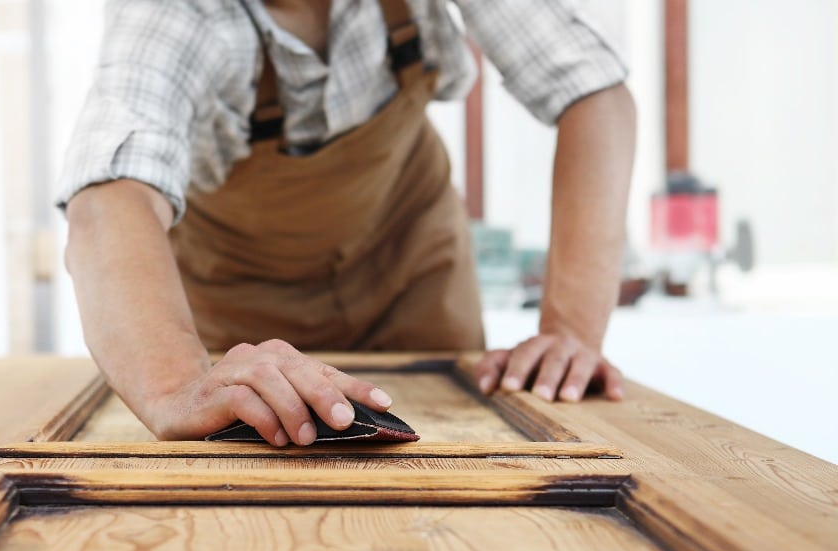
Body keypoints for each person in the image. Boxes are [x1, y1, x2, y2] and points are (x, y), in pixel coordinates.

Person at [58, 0, 636, 446]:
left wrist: (571, 334)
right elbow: (110, 198)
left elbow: (594, 96)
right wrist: (175, 387)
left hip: (411, 262)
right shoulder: (173, 12)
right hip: (237, 300)